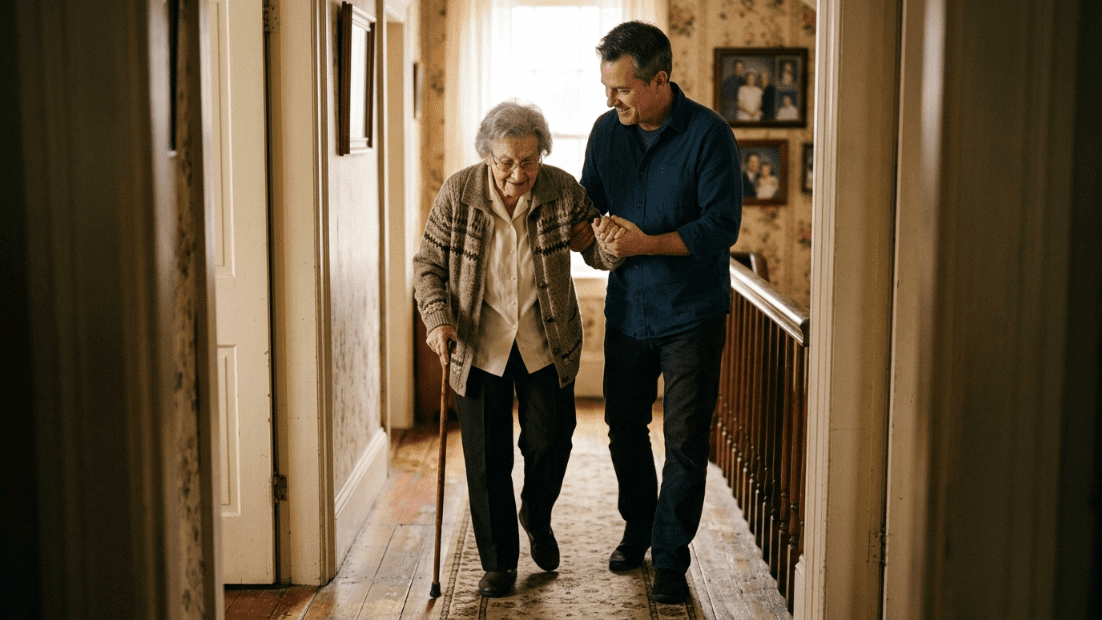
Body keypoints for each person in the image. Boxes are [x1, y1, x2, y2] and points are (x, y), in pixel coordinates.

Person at [413, 101, 620, 598]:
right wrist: (438, 320)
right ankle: (499, 562)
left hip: (544, 342)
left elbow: (596, 250)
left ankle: (537, 513)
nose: (518, 173)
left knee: (552, 441)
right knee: (487, 461)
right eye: (506, 161)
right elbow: (427, 266)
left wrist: (609, 242)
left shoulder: (561, 190)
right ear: (487, 155)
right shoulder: (459, 194)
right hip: (478, 345)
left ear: (541, 155)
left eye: (529, 161)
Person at [579, 20, 742, 605]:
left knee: (685, 439)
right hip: (627, 311)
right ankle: (639, 527)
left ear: (659, 80)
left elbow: (721, 226)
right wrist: (595, 236)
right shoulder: (606, 132)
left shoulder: (710, 135)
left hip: (692, 315)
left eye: (622, 89)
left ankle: (671, 555)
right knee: (623, 428)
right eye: (607, 87)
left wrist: (644, 242)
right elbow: (588, 208)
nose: (610, 100)